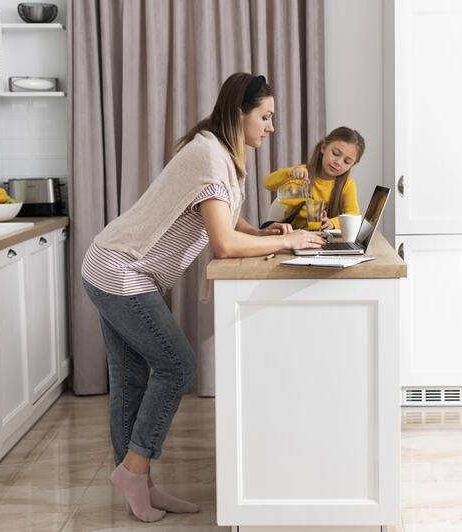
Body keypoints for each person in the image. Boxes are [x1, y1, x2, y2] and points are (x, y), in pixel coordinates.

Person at [81, 73, 325, 522]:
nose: (271, 127)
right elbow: (224, 245)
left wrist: (263, 232)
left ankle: (140, 484)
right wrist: (288, 243)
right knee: (177, 365)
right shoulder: (210, 155)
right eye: (266, 117)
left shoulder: (217, 151)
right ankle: (134, 472)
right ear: (240, 113)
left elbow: (226, 221)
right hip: (119, 271)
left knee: (132, 376)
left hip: (116, 265)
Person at [263, 126, 366, 230]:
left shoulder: (347, 185)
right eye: (335, 153)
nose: (338, 162)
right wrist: (291, 173)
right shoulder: (304, 173)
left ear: (352, 165)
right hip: (292, 230)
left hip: (319, 236)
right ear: (324, 148)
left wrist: (333, 222)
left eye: (346, 161)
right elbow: (267, 184)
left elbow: (354, 215)